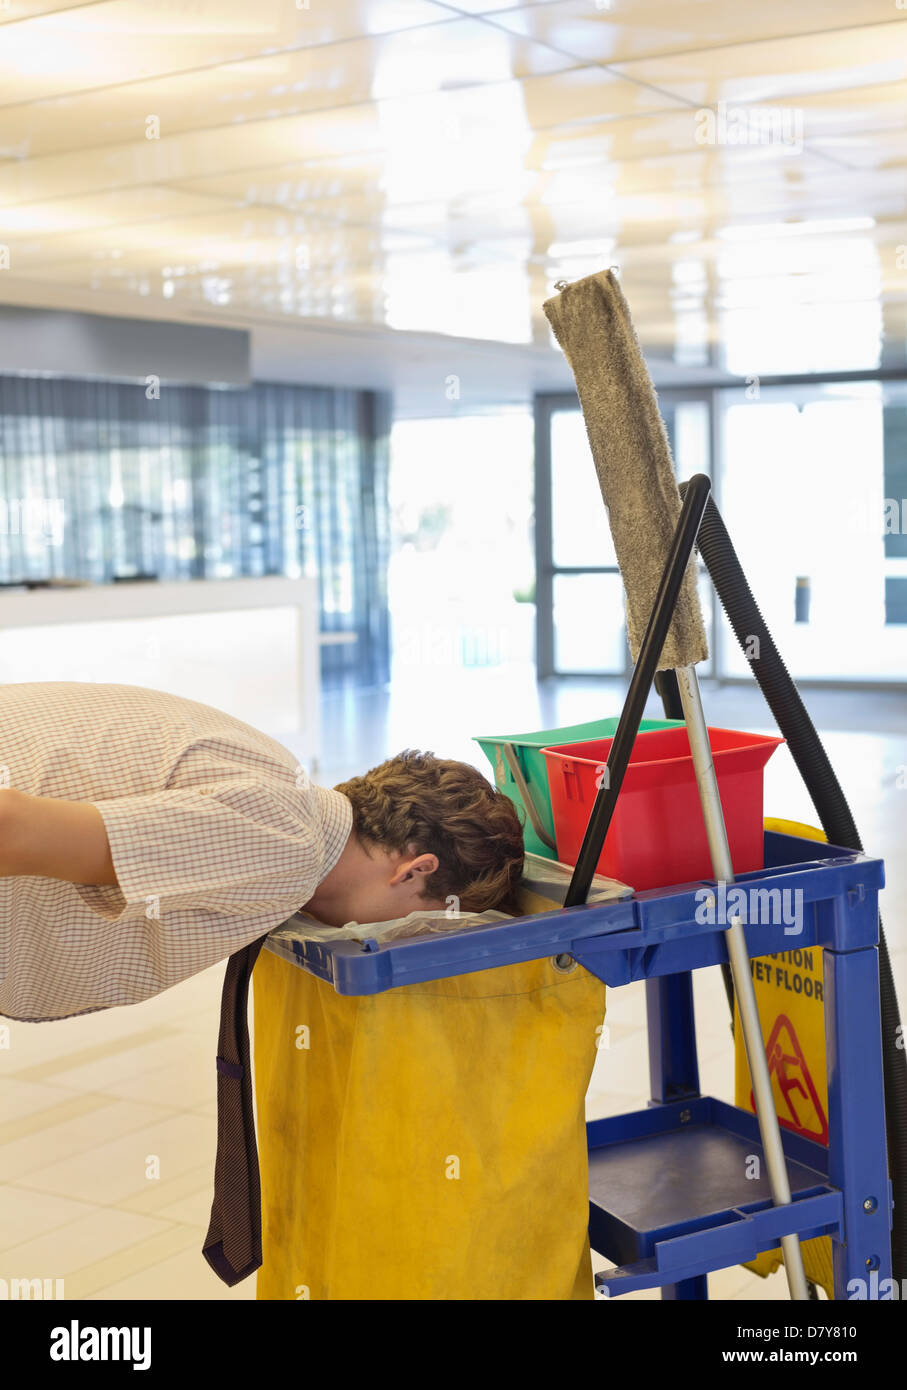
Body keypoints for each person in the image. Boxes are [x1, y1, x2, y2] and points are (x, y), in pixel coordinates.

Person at [0, 681, 524, 1023]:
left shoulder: (282, 788)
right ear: (415, 872)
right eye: (419, 922)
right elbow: (12, 830)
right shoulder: (286, 847)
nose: (390, 934)